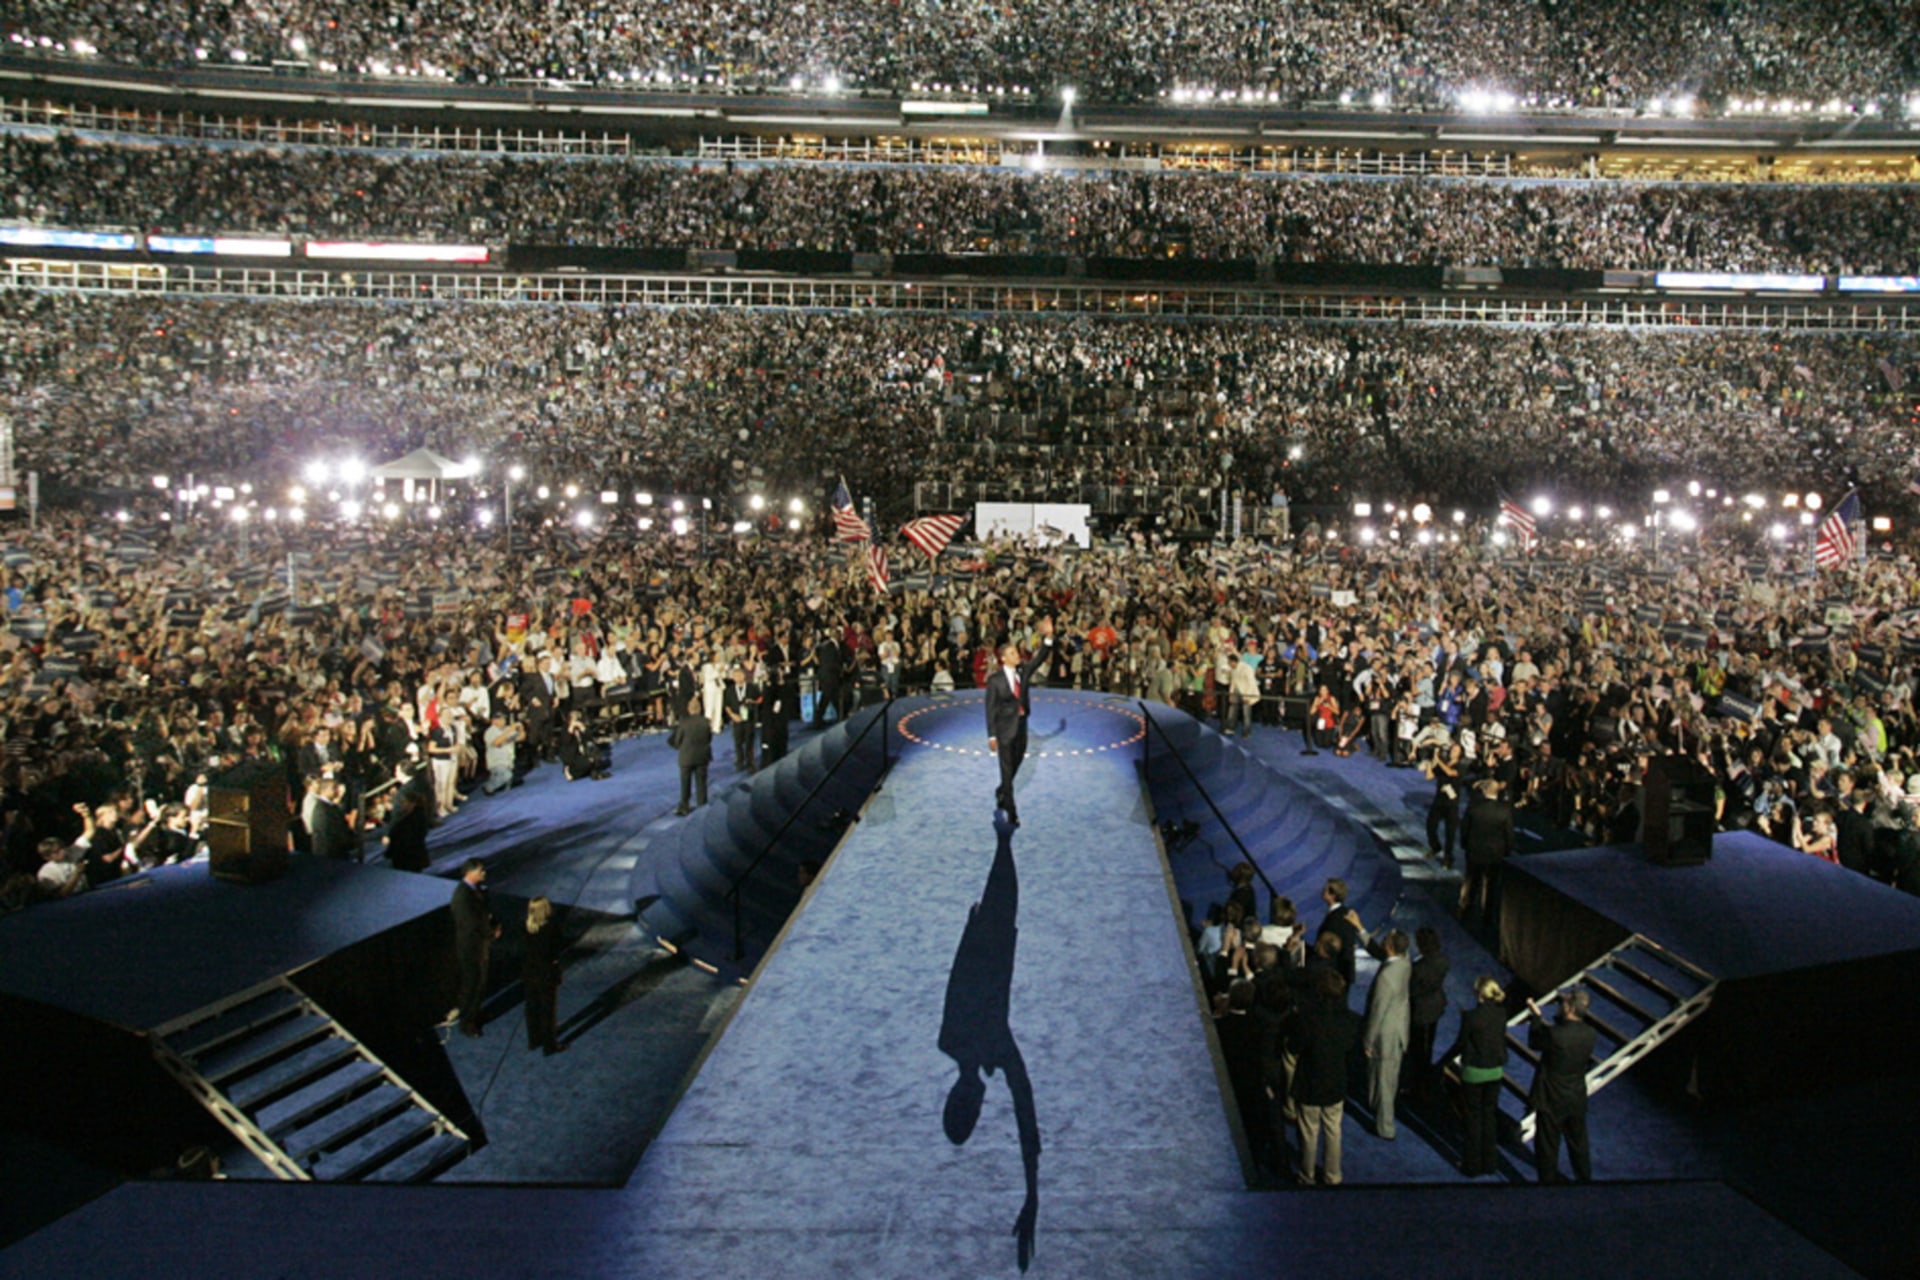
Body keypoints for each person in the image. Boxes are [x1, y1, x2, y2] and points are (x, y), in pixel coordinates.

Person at [1289, 965, 1361, 1186]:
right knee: (1333, 1129)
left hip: (1310, 1081)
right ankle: (1333, 1175)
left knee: (1308, 1131)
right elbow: (1351, 1049)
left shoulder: (1307, 1018)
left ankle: (1307, 1175)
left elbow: (1295, 1046)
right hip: (1335, 1080)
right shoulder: (1350, 1020)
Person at [984, 615, 1055, 827]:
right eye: (1013, 653)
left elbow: (1040, 657)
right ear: (1004, 659)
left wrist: (1049, 636)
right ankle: (1011, 811)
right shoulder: (994, 681)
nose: (1018, 655)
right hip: (1004, 731)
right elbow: (990, 709)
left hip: (1022, 727)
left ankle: (1001, 790)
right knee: (1006, 770)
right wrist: (992, 735)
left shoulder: (1022, 672)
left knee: (1016, 764)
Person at [1527, 986, 1598, 1184]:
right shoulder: (1590, 1034)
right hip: (1575, 1097)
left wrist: (1536, 1017)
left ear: (1569, 1009)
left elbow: (1534, 1041)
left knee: (1548, 1147)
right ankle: (1585, 1182)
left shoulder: (1555, 1035)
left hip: (1551, 1098)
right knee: (1578, 1144)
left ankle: (1548, 1186)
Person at [1449, 974, 1509, 1177]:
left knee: (1473, 1120)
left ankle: (1472, 1165)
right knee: (1489, 1117)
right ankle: (1490, 1163)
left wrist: (1443, 1061)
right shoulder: (1501, 1014)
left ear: (1478, 994)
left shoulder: (1471, 1017)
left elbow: (1460, 1044)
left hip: (1474, 1072)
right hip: (1495, 1071)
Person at [1362, 929, 1411, 1140]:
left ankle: (1385, 1127)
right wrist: (1362, 932)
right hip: (1399, 1030)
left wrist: (1368, 1039)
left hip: (1385, 1035)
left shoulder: (1386, 977)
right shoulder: (1405, 962)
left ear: (1389, 947)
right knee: (1388, 1078)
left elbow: (1377, 1011)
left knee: (1383, 1082)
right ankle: (1380, 1114)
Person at [448, 857, 499, 1038]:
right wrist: (491, 933)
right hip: (471, 947)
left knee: (479, 982)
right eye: (481, 870)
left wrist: (493, 924)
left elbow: (484, 913)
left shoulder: (476, 890)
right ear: (470, 873)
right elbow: (470, 923)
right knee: (472, 984)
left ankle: (475, 1012)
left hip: (479, 944)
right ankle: (467, 1022)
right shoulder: (462, 896)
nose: (484, 873)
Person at [1460, 778, 1515, 924]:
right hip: (1495, 855)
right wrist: (1507, 852)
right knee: (1490, 885)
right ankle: (1487, 916)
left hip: (1474, 851)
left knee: (1471, 882)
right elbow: (1509, 834)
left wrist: (1465, 845)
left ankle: (1465, 910)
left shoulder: (1473, 808)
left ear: (1484, 791)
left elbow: (1464, 829)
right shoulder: (1505, 810)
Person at [1406, 926, 1450, 1104]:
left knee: (1418, 1051)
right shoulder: (1443, 961)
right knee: (1427, 1046)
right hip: (1435, 1007)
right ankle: (1422, 1080)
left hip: (1420, 1012)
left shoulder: (1418, 968)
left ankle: (1418, 1086)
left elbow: (1412, 991)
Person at [522, 896, 565, 1056]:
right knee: (548, 1009)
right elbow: (556, 949)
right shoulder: (551, 928)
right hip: (546, 972)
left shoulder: (526, 926)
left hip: (530, 972)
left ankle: (534, 1040)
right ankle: (550, 1045)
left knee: (532, 1007)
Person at [669, 695, 713, 816]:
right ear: (699, 709)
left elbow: (677, 741)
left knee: (685, 783)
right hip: (702, 756)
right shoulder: (706, 722)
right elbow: (709, 739)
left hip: (686, 757)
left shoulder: (684, 723)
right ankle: (702, 805)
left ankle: (684, 806)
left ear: (689, 709)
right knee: (701, 783)